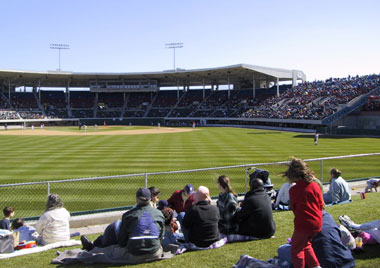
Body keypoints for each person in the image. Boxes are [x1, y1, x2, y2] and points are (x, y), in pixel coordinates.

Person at [283, 157, 324, 268]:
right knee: (305, 244)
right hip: (317, 222)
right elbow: (321, 204)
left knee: (296, 250)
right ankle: (315, 266)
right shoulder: (315, 186)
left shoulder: (294, 190)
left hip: (304, 223)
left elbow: (294, 208)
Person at [278, 211, 355, 268]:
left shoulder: (305, 221)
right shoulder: (328, 217)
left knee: (282, 249)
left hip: (322, 263)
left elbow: (298, 246)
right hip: (345, 261)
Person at [118, 188, 165, 262]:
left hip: (134, 255)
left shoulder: (128, 215)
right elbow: (161, 237)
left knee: (112, 250)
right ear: (150, 199)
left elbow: (122, 242)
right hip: (155, 253)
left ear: (137, 199)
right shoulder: (159, 214)